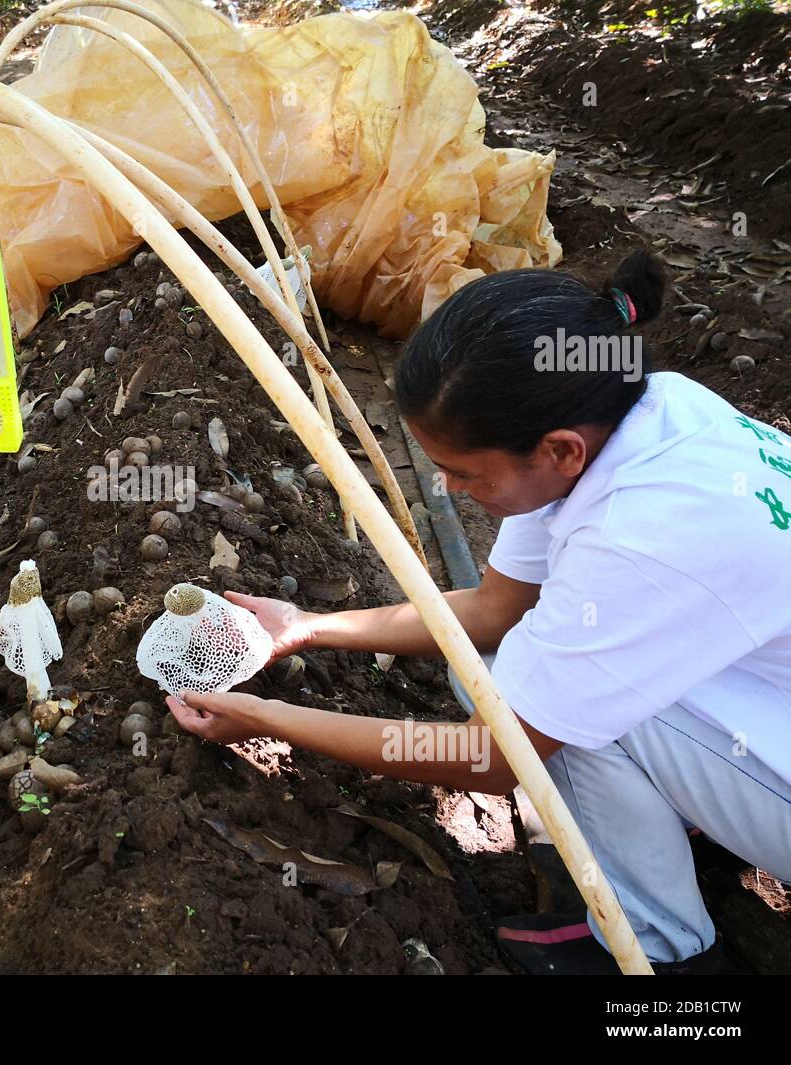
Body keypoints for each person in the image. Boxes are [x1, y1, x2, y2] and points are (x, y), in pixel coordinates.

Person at [165, 251, 791, 974]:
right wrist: (306, 625)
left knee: (558, 713)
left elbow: (493, 757)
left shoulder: (636, 539)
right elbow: (496, 609)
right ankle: (676, 820)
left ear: (558, 452)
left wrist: (265, 719)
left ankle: (660, 953)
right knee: (514, 665)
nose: (446, 485)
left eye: (462, 472)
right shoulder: (631, 414)